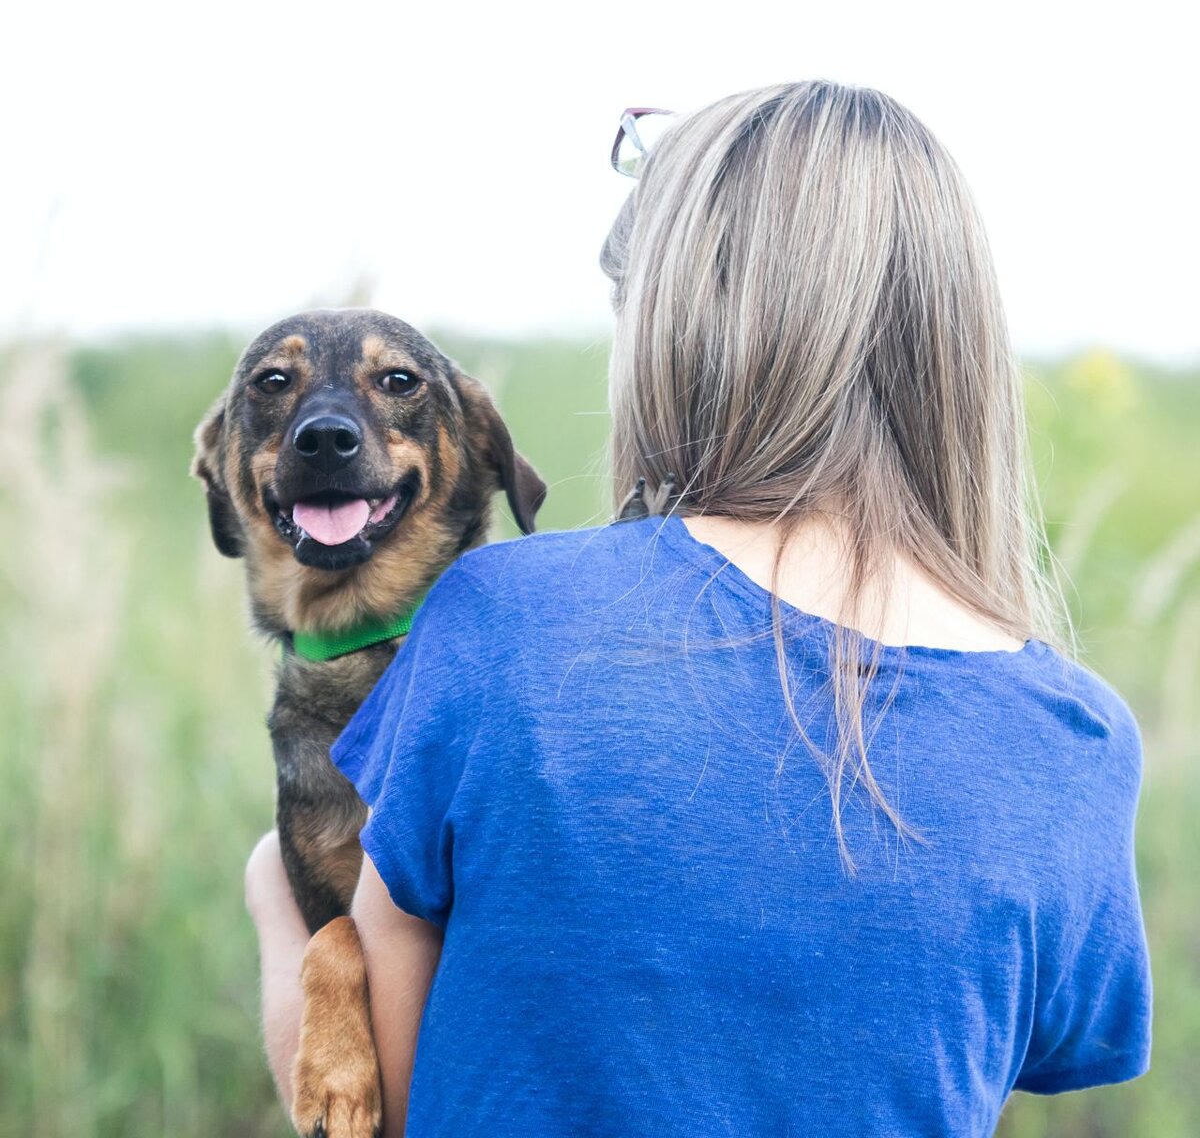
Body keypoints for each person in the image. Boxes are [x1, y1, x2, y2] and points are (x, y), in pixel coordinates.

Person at [245, 81, 1152, 1137]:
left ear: (676, 323)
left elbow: (378, 1115)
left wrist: (277, 890)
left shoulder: (500, 623)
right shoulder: (1078, 742)